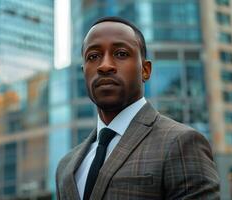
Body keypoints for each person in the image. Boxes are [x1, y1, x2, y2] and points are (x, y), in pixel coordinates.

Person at [56, 16, 220, 200]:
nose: (105, 66)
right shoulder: (66, 166)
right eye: (93, 57)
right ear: (83, 71)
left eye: (121, 54)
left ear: (145, 70)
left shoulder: (181, 143)